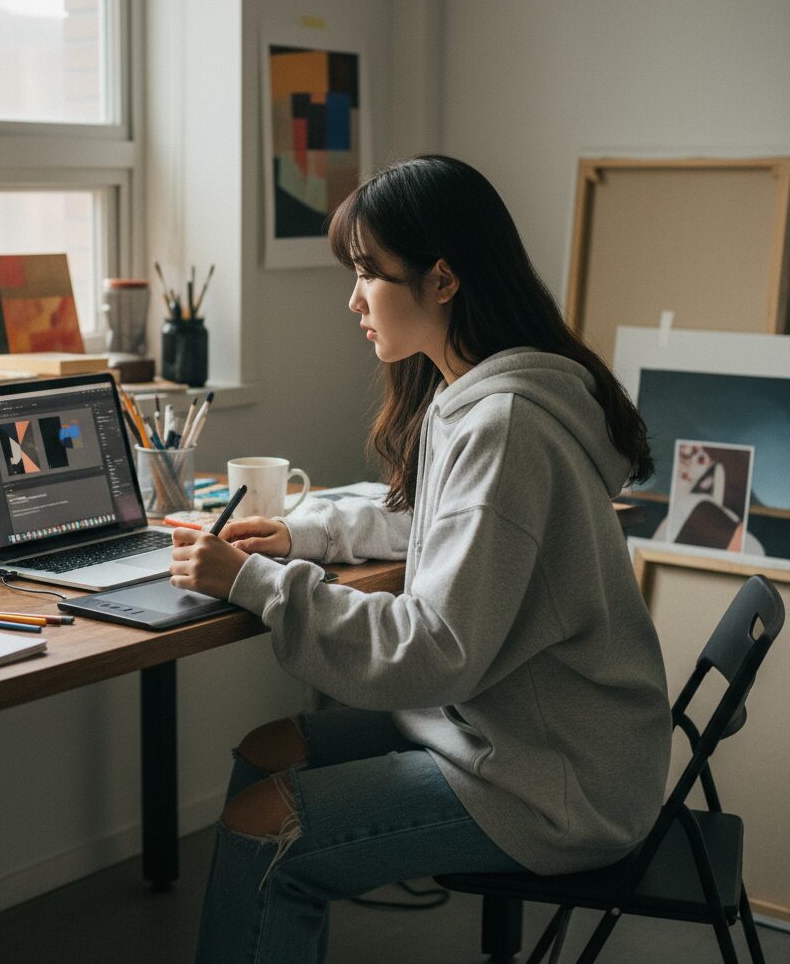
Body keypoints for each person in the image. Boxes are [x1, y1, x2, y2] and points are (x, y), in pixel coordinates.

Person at [169, 155, 672, 964]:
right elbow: (447, 529)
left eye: (369, 273)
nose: (353, 298)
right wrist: (305, 536)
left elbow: (435, 647)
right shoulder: (480, 392)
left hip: (554, 785)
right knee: (262, 753)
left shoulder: (505, 425)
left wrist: (259, 585)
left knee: (258, 826)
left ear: (442, 280)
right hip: (517, 738)